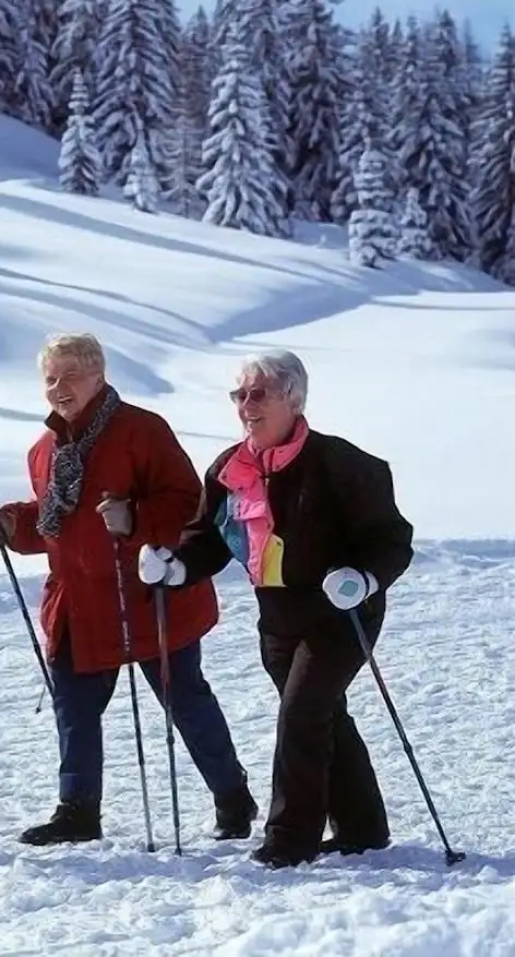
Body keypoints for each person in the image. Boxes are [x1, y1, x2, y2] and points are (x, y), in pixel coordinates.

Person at [139, 349, 413, 869]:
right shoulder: (229, 469)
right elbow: (209, 540)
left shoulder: (342, 464)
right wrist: (174, 568)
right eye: (239, 395)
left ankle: (290, 839)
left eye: (258, 394)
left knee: (302, 713)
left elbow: (392, 540)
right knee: (321, 713)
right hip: (277, 616)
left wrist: (363, 579)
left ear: (294, 399)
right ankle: (363, 827)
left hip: (342, 613)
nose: (246, 405)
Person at [0, 333, 256, 845]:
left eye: (70, 375)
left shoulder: (141, 430)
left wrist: (135, 519)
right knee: (74, 709)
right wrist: (12, 525)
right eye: (50, 378)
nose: (58, 388)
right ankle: (77, 811)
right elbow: (57, 523)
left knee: (186, 702)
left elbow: (190, 506)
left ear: (99, 375)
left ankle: (232, 796)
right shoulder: (44, 451)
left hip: (148, 596)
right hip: (81, 605)